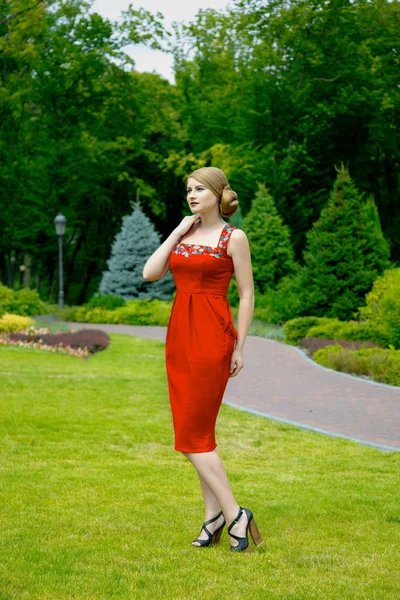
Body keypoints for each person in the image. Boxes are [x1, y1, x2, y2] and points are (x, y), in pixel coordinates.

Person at [143, 167, 263, 552]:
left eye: (199, 189)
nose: (192, 195)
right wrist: (177, 232)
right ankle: (213, 518)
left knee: (193, 435)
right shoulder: (184, 234)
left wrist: (240, 346)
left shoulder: (234, 237)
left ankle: (234, 515)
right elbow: (150, 273)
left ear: (217, 193)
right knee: (197, 433)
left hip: (213, 336)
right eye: (189, 190)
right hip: (180, 336)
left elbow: (246, 294)